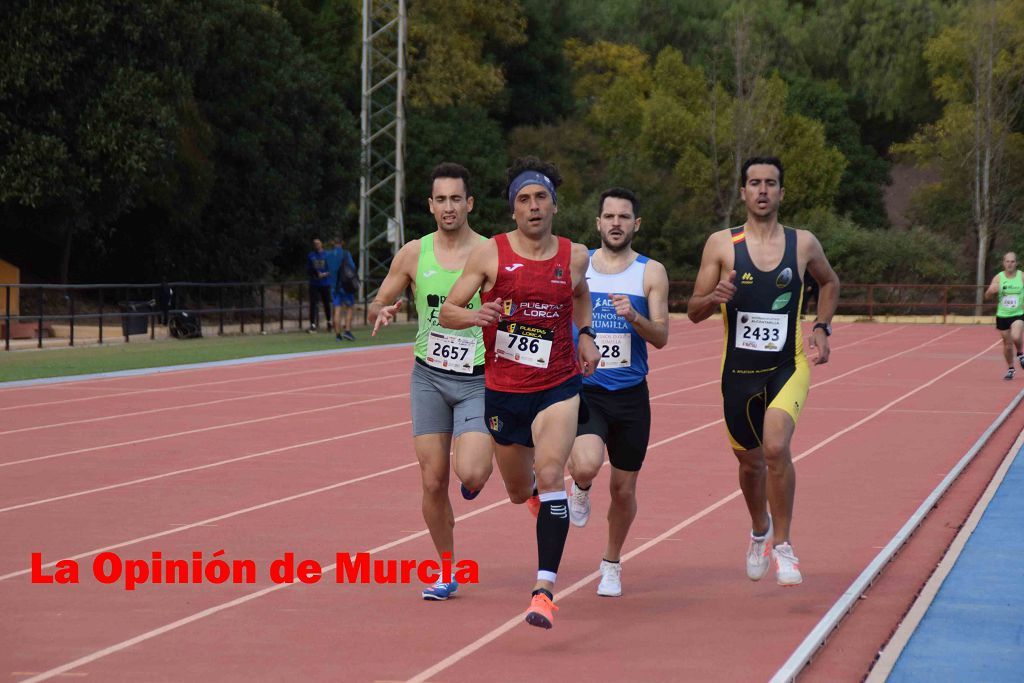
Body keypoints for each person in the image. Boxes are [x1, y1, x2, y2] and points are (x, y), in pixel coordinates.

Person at [440, 156, 602, 629]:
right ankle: (528, 490)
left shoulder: (575, 255)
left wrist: (586, 333)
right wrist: (477, 316)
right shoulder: (489, 254)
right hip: (504, 388)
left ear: (554, 205)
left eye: (541, 198)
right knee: (517, 490)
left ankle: (544, 591)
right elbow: (449, 310)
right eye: (524, 200)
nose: (533, 207)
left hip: (558, 383)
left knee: (553, 472)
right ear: (514, 210)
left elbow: (578, 295)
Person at [687, 156, 840, 587]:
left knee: (775, 447)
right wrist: (714, 296)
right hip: (737, 372)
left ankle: (784, 546)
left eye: (770, 183)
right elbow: (693, 310)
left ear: (781, 193)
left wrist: (822, 327)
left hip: (787, 365)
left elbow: (829, 282)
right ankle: (760, 529)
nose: (762, 190)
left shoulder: (803, 243)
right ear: (743, 192)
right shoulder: (720, 245)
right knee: (750, 464)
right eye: (754, 183)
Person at [369, 163, 494, 601]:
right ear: (430, 205)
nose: (448, 207)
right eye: (440, 199)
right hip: (428, 377)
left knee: (473, 472)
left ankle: (476, 475)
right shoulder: (412, 254)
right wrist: (382, 309)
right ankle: (446, 568)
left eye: (456, 199)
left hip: (479, 379)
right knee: (432, 480)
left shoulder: (490, 252)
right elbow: (380, 298)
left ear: (469, 203)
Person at [565, 187, 669, 598]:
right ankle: (582, 487)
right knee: (586, 465)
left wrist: (635, 317)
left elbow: (661, 335)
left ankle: (611, 562)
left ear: (635, 224)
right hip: (587, 390)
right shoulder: (580, 265)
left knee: (624, 489)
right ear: (598, 223)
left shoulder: (650, 272)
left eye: (624, 217)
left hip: (630, 395)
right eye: (608, 216)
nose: (615, 223)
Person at [984, 251, 1024, 380]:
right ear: (1004, 263)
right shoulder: (998, 278)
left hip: (1018, 313)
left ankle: (1020, 354)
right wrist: (991, 291)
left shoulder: (1021, 276)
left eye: (1012, 261)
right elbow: (987, 296)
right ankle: (1011, 369)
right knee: (1007, 345)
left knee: (1016, 336)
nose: (1010, 264)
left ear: (1016, 263)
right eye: (1007, 261)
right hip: (1002, 315)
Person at [329, 235, 357, 341]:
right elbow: (352, 267)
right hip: (345, 286)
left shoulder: (330, 255)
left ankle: (337, 335)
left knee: (337, 309)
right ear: (342, 243)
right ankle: (347, 330)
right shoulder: (346, 254)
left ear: (333, 243)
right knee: (349, 307)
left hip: (334, 286)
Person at [307, 238, 332, 332]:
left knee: (326, 303)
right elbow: (308, 269)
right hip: (314, 283)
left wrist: (325, 274)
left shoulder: (327, 255)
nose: (316, 245)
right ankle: (312, 324)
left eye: (318, 243)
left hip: (325, 283)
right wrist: (315, 274)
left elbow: (332, 268)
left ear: (321, 244)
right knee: (313, 303)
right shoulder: (311, 255)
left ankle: (329, 322)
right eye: (315, 244)